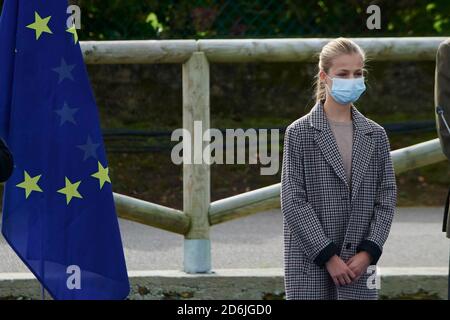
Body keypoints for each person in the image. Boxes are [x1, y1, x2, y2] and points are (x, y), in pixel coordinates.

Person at [281, 37, 397, 300]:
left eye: (358, 73)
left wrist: (369, 251)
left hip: (359, 268)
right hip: (311, 265)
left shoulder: (375, 135)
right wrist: (328, 256)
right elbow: (293, 200)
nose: (352, 79)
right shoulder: (299, 133)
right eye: (343, 74)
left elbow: (386, 197)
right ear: (324, 76)